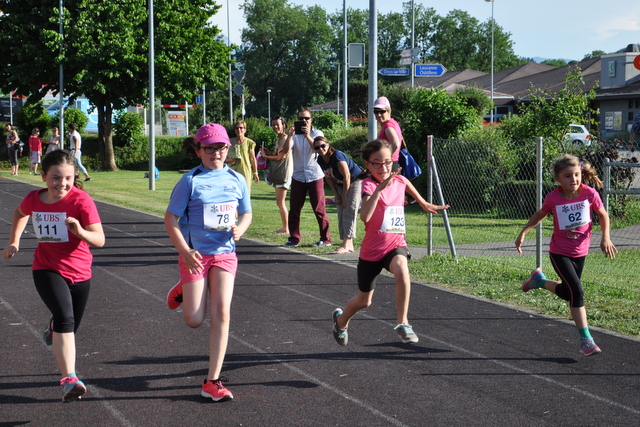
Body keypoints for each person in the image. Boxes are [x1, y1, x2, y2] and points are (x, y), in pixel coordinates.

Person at [2, 149, 105, 402]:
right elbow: (20, 213)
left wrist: (80, 232)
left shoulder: (81, 201)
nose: (62, 184)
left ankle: (53, 328)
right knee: (65, 319)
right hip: (46, 268)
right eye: (56, 178)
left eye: (68, 178)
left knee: (69, 326)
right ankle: (69, 379)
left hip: (80, 271)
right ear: (44, 177)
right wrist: (14, 242)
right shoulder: (34, 198)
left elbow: (99, 240)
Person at [164, 123, 252, 402]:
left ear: (228, 148)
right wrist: (184, 251)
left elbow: (246, 213)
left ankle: (212, 381)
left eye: (221, 147)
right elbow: (170, 219)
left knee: (222, 312)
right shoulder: (190, 181)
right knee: (194, 319)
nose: (216, 153)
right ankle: (182, 287)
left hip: (225, 252)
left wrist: (241, 229)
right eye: (209, 148)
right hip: (196, 256)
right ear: (198, 150)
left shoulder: (237, 179)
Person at [331, 139, 449, 346]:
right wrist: (379, 190)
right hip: (371, 252)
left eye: (387, 162)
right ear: (368, 164)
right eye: (377, 163)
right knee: (364, 301)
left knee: (402, 269)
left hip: (395, 244)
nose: (383, 167)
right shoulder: (368, 185)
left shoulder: (400, 181)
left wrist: (424, 203)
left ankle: (403, 323)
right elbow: (365, 217)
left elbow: (406, 184)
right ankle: (341, 322)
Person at [515, 154, 617, 356]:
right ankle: (586, 340)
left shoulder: (589, 194)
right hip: (559, 252)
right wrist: (523, 232)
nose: (574, 179)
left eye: (577, 174)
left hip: (580, 252)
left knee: (567, 292)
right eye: (568, 176)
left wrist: (606, 237)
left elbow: (603, 215)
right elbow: (540, 214)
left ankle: (539, 281)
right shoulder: (553, 198)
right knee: (577, 292)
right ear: (558, 179)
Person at [281, 108, 331, 247]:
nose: (303, 121)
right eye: (301, 119)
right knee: (294, 209)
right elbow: (285, 151)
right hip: (298, 175)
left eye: (306, 118)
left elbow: (318, 149)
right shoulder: (295, 135)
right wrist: (289, 136)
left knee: (319, 209)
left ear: (311, 120)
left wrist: (308, 135)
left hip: (314, 175)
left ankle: (325, 239)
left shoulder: (317, 133)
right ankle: (294, 238)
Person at [314, 136, 362, 254]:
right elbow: (328, 177)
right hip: (340, 183)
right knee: (341, 209)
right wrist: (337, 195)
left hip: (355, 181)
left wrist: (344, 197)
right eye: (317, 147)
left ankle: (346, 243)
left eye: (323, 145)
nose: (320, 149)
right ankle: (348, 243)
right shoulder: (320, 159)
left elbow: (347, 176)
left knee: (349, 208)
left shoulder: (337, 156)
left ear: (328, 145)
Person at [260, 115, 293, 234]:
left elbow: (280, 157)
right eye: (273, 124)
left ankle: (286, 228)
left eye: (277, 124)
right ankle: (285, 227)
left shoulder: (285, 139)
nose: (275, 127)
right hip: (280, 173)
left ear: (284, 125)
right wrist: (269, 153)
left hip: (284, 173)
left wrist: (265, 156)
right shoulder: (279, 140)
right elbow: (277, 156)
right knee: (279, 202)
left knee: (281, 202)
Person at [226, 120, 259, 193]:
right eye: (237, 128)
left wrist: (255, 173)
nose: (239, 130)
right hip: (231, 171)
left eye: (241, 128)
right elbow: (223, 156)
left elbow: (252, 158)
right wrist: (228, 160)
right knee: (232, 192)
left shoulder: (249, 143)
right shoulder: (229, 142)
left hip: (245, 170)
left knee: (245, 191)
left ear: (245, 129)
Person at [373, 96, 403, 167]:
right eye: (376, 112)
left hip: (389, 165)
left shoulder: (388, 126)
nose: (378, 115)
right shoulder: (393, 123)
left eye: (382, 111)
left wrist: (384, 159)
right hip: (391, 164)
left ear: (389, 111)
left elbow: (395, 144)